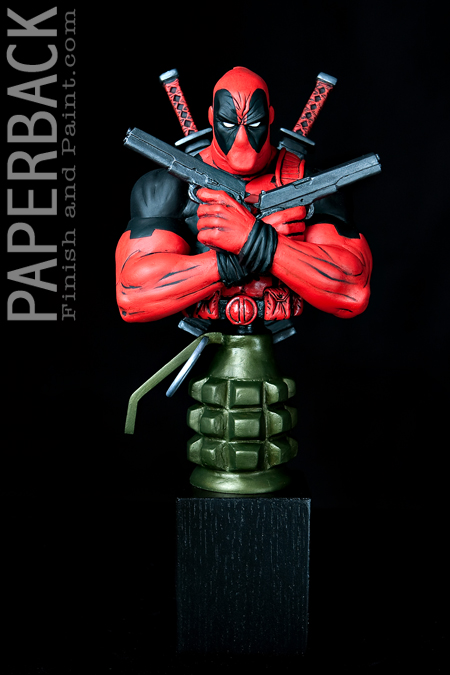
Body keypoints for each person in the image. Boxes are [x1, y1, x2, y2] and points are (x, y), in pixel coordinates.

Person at [116, 66, 372, 327]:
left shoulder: (311, 188)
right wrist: (243, 254)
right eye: (228, 124)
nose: (241, 140)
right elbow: (132, 295)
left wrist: (254, 239)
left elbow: (353, 292)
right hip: (209, 339)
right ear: (211, 117)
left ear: (270, 116)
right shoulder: (166, 187)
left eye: (254, 124)